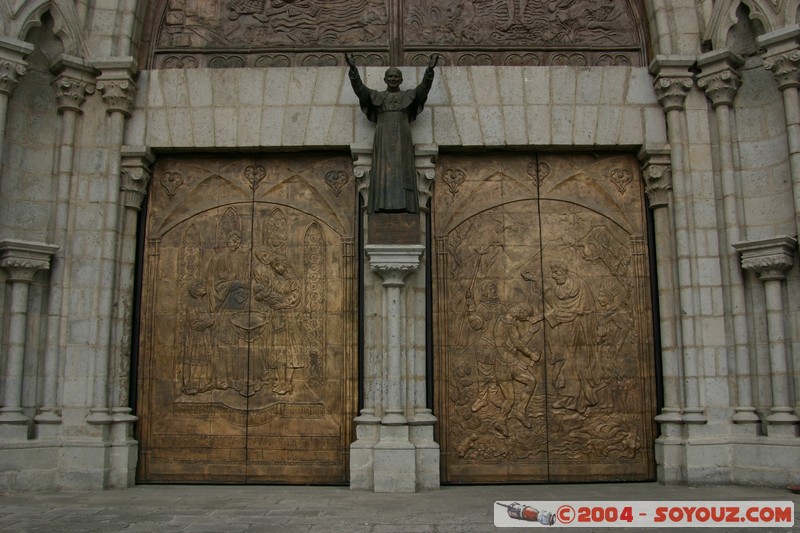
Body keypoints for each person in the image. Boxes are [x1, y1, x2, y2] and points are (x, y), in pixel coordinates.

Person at [345, 53, 439, 213]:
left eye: (396, 77)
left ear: (401, 80)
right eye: (390, 76)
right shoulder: (378, 96)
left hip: (403, 137)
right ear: (385, 80)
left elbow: (423, 89)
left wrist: (429, 71)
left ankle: (406, 206)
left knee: (403, 172)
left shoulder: (407, 95)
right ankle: (381, 205)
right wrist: (353, 70)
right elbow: (360, 90)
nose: (393, 79)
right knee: (383, 172)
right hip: (383, 138)